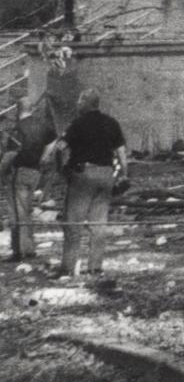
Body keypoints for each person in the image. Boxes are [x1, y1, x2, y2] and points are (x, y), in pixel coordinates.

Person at [51, 89, 124, 279]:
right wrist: (123, 174)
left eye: (79, 101)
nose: (77, 104)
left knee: (73, 223)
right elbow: (121, 152)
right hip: (106, 174)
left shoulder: (77, 124)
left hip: (84, 175)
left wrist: (61, 168)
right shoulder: (111, 122)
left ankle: (68, 268)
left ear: (85, 102)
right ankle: (95, 267)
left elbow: (60, 147)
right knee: (99, 223)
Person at [2, 88, 61, 264]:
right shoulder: (43, 125)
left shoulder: (16, 129)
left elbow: (10, 154)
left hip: (18, 172)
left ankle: (19, 250)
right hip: (35, 171)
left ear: (17, 110)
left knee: (17, 212)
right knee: (26, 210)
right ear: (32, 109)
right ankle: (29, 247)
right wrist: (44, 157)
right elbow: (53, 140)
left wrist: (1, 171)